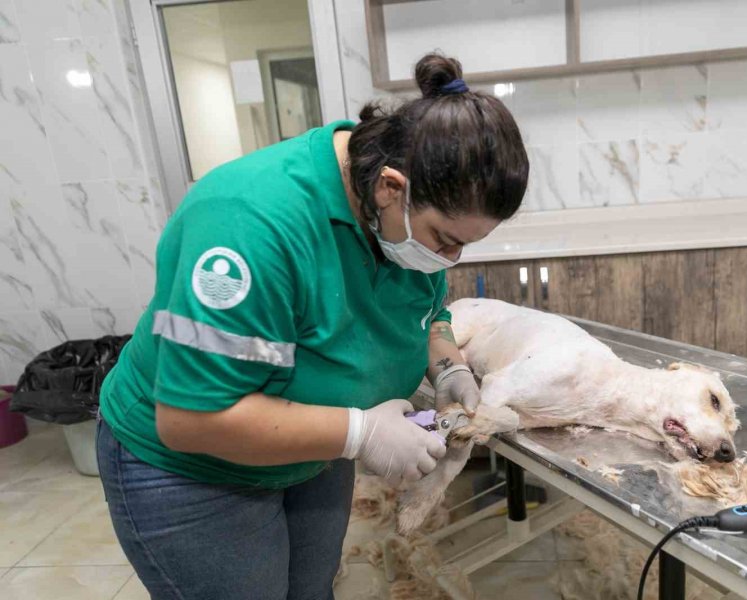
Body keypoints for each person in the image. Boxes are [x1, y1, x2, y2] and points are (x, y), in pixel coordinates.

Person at [95, 53, 529, 600]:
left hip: (310, 455)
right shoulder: (250, 224)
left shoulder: (400, 226)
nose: (451, 257)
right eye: (444, 239)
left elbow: (428, 310)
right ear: (390, 188)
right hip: (193, 470)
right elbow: (191, 417)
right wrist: (360, 433)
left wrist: (447, 366)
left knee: (312, 590)